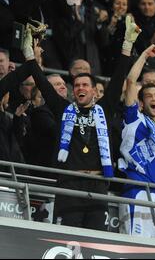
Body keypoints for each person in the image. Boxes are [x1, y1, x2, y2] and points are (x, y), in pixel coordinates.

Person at [23, 15, 139, 231]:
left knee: (94, 243)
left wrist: (127, 44)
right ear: (72, 90)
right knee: (68, 241)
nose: (80, 88)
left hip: (97, 187)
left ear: (93, 90)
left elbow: (118, 78)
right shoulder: (63, 109)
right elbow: (42, 83)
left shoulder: (103, 109)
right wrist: (30, 55)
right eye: (76, 86)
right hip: (69, 185)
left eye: (85, 85)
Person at [118, 44, 155, 238]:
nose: (153, 99)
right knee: (133, 248)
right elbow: (131, 81)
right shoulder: (134, 118)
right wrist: (144, 55)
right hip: (137, 191)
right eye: (148, 96)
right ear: (141, 103)